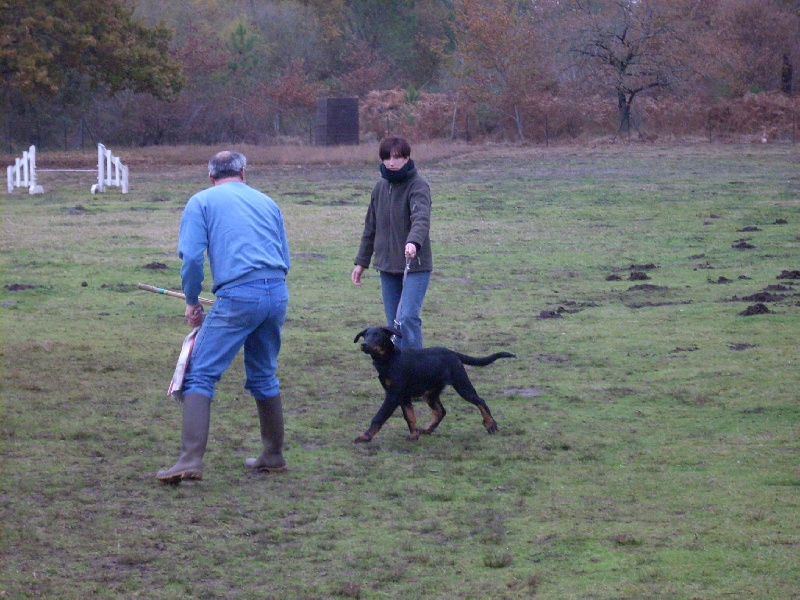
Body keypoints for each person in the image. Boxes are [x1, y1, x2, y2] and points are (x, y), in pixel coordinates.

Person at [157, 150, 291, 483]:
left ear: (211, 177)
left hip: (239, 295)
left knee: (198, 373)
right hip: (276, 291)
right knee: (263, 374)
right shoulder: (267, 202)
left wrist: (191, 300)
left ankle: (189, 460)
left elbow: (191, 258)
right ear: (243, 173)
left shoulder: (201, 201)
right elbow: (284, 254)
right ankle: (273, 455)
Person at [351, 136, 432, 350]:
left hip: (414, 265)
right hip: (386, 266)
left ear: (406, 158)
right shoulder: (380, 188)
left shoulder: (418, 185)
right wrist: (361, 262)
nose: (391, 162)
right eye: (387, 158)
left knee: (407, 318)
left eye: (396, 157)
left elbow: (421, 218)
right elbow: (371, 227)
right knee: (393, 324)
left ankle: (416, 366)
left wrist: (413, 242)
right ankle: (401, 370)